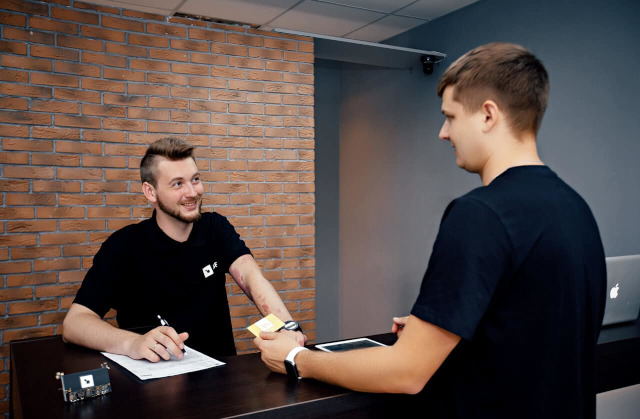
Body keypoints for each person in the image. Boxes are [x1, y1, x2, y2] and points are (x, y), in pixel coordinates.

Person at [254, 42, 607, 419]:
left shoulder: (479, 214)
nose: (443, 133)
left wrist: (297, 358)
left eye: (450, 117)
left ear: (488, 115)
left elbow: (405, 373)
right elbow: (536, 324)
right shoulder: (576, 209)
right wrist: (446, 324)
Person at [63, 137, 305, 362]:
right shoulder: (124, 246)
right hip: (155, 382)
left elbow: (252, 278)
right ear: (150, 192)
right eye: (178, 184)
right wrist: (132, 343)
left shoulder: (215, 228)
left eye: (195, 179)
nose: (192, 192)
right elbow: (74, 324)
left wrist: (287, 327)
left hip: (219, 378)